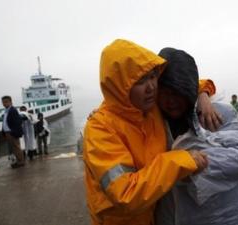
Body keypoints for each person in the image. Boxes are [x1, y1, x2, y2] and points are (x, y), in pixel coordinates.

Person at [83, 39, 210, 225]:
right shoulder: (100, 129)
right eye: (140, 81)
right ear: (120, 88)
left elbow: (189, 83)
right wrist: (182, 160)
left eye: (152, 76)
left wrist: (204, 94)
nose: (152, 87)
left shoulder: (150, 109)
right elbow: (126, 193)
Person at [155, 47, 238, 225]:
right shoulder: (155, 119)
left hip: (224, 217)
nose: (170, 100)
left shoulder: (216, 112)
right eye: (163, 93)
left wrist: (189, 168)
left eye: (176, 93)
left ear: (188, 88)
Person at [1, 96, 24, 168]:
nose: (4, 103)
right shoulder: (6, 111)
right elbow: (5, 122)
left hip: (12, 132)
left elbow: (17, 122)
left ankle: (21, 162)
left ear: (11, 102)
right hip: (7, 132)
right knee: (13, 148)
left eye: (6, 102)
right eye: (3, 102)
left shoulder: (13, 110)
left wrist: (13, 132)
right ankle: (17, 161)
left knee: (16, 147)